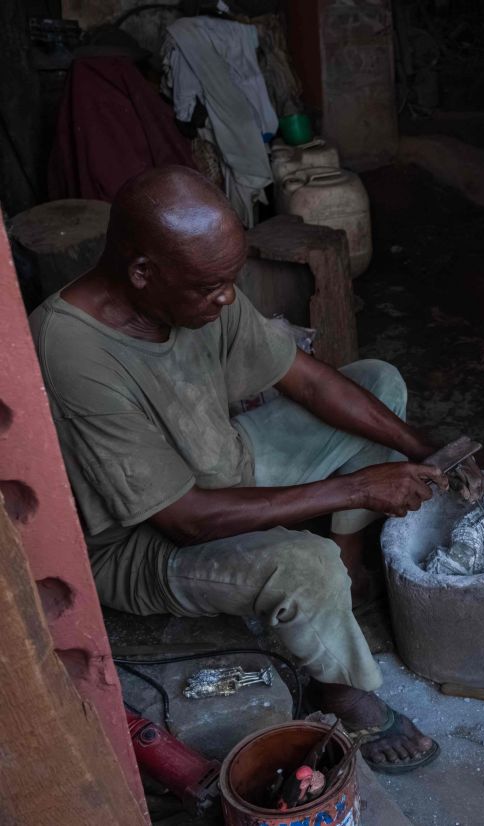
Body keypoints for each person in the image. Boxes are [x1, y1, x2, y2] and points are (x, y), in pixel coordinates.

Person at [30, 165, 454, 773]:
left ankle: (350, 570)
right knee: (306, 568)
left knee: (377, 385)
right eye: (211, 287)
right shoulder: (73, 353)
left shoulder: (197, 286)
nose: (227, 299)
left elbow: (303, 378)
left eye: (230, 281)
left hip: (226, 461)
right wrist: (357, 486)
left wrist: (425, 447)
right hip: (142, 544)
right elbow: (186, 521)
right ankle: (340, 687)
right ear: (143, 272)